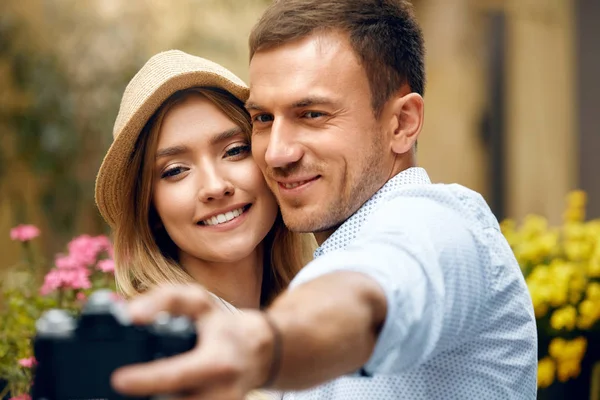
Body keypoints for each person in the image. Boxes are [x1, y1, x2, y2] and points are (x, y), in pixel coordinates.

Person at [110, 1, 539, 399]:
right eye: (262, 119)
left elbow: (372, 288)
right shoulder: (309, 277)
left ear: (402, 123)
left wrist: (264, 346)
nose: (277, 153)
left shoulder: (436, 224)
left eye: (312, 115)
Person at [94, 49, 315, 399]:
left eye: (234, 150)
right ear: (149, 210)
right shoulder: (161, 356)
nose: (215, 187)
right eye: (175, 171)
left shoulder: (311, 314)